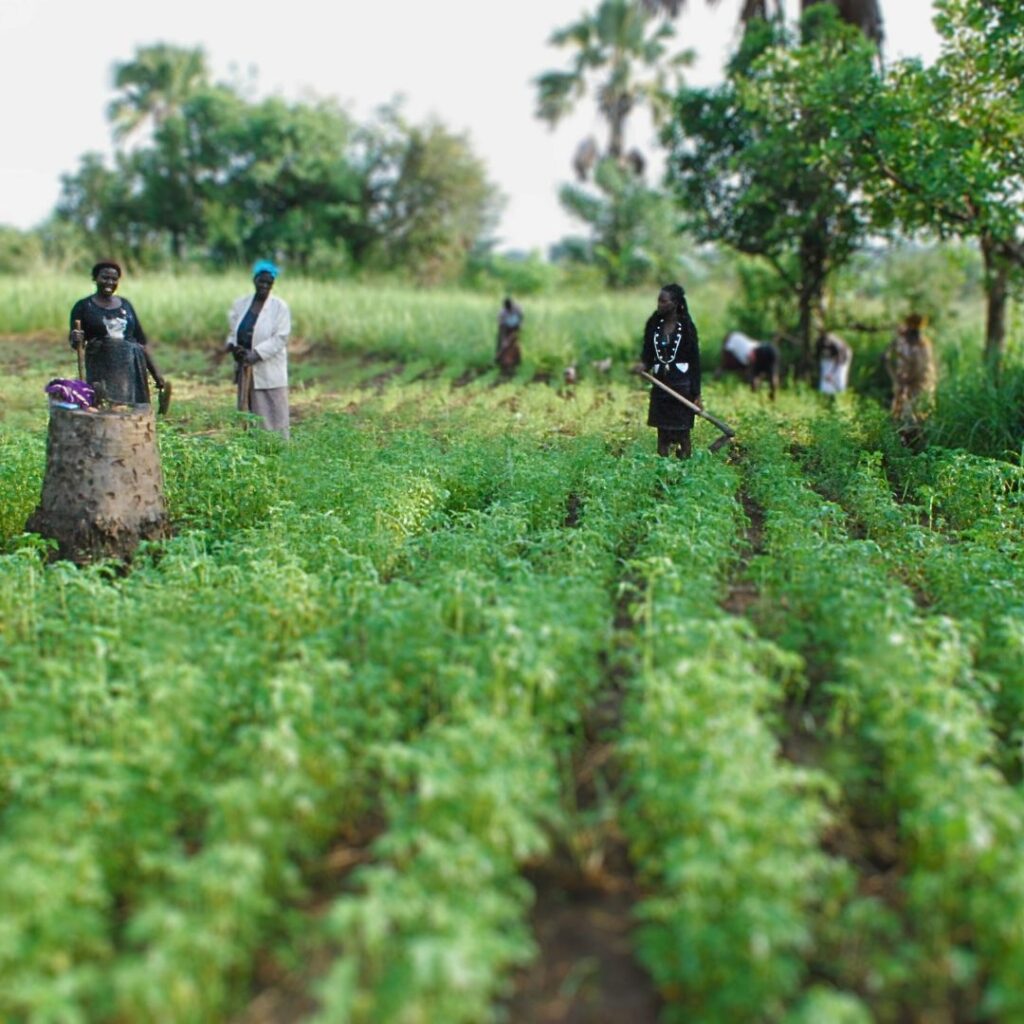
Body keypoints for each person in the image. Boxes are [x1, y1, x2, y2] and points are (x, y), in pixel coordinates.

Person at [69, 260, 166, 406]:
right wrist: (76, 338)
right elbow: (76, 343)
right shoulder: (83, 307)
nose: (110, 282)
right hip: (101, 367)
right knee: (104, 405)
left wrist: (156, 374)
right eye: (105, 277)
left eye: (114, 279)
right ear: (95, 279)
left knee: (130, 410)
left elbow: (140, 342)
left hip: (131, 368)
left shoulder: (126, 305)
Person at [226, 260, 292, 439]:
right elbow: (234, 330)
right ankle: (253, 447)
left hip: (268, 367)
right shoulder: (241, 304)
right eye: (261, 281)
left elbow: (280, 338)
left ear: (273, 284)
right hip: (245, 367)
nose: (264, 285)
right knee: (248, 409)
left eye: (268, 282)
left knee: (272, 411)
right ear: (254, 280)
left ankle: (276, 447)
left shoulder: (280, 307)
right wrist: (234, 347)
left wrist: (256, 354)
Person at [637, 283, 702, 458]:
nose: (659, 304)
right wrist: (643, 365)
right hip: (661, 387)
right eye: (658, 301)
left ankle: (685, 472)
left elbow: (695, 362)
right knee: (662, 435)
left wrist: (696, 394)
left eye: (663, 301)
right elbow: (648, 354)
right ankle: (663, 473)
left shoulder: (687, 327)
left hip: (682, 388)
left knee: (683, 435)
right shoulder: (653, 325)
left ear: (675, 303)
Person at [885, 313, 936, 426]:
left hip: (918, 386)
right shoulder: (906, 342)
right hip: (907, 386)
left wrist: (905, 381)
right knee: (902, 417)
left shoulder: (922, 345)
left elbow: (919, 367)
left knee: (917, 417)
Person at [716, 329, 780, 400]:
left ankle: (715, 382)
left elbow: (725, 361)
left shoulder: (730, 343)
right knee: (772, 375)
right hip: (769, 348)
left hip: (754, 352)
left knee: (752, 376)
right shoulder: (738, 338)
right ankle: (771, 398)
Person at [816, 331, 852, 396]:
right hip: (831, 357)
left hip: (844, 356)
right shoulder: (819, 344)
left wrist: (832, 374)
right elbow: (817, 358)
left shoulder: (837, 346)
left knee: (840, 375)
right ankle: (825, 393)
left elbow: (839, 361)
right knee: (825, 376)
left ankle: (841, 393)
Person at [496, 297, 523, 374]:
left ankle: (517, 361)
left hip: (515, 327)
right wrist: (504, 339)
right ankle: (499, 360)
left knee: (516, 344)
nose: (510, 310)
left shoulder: (518, 309)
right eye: (508, 309)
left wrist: (519, 328)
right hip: (505, 328)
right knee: (502, 345)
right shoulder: (502, 313)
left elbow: (521, 319)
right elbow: (501, 328)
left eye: (511, 308)